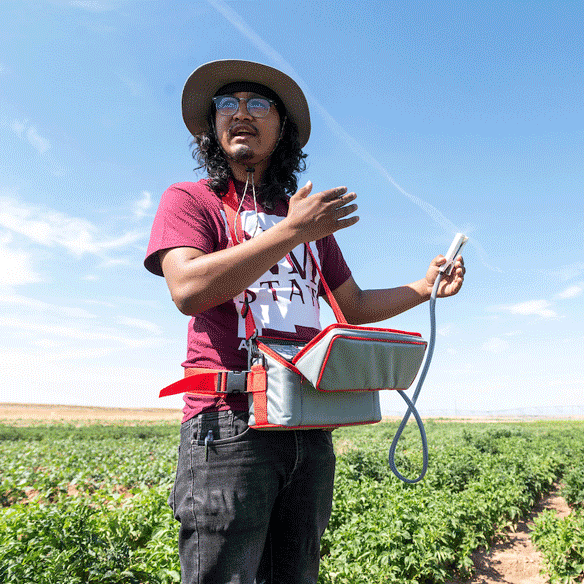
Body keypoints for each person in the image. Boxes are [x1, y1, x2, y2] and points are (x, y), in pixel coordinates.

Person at [145, 59, 465, 584]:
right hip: (228, 424)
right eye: (227, 104)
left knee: (298, 574)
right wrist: (292, 232)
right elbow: (188, 289)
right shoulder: (191, 199)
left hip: (305, 419)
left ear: (283, 128)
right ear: (212, 127)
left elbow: (353, 305)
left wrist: (424, 287)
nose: (240, 113)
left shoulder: (307, 220)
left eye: (258, 104)